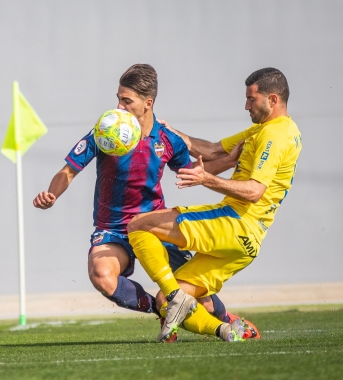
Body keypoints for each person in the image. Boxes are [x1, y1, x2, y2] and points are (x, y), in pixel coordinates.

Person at [32, 64, 252, 341]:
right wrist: (52, 194)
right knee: (102, 275)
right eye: (118, 98)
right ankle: (162, 311)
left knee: (202, 299)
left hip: (154, 227)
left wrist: (229, 161)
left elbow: (193, 171)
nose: (119, 106)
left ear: (148, 103)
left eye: (127, 100)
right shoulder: (106, 130)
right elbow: (68, 171)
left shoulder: (167, 139)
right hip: (114, 229)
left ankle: (229, 320)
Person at [127, 67, 301, 343]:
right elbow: (213, 150)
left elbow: (255, 191)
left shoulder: (275, 135)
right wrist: (172, 134)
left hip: (235, 222)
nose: (246, 105)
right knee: (163, 301)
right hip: (247, 243)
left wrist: (206, 179)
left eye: (251, 99)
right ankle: (229, 331)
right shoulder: (263, 129)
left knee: (138, 224)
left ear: (273, 99)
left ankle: (176, 298)